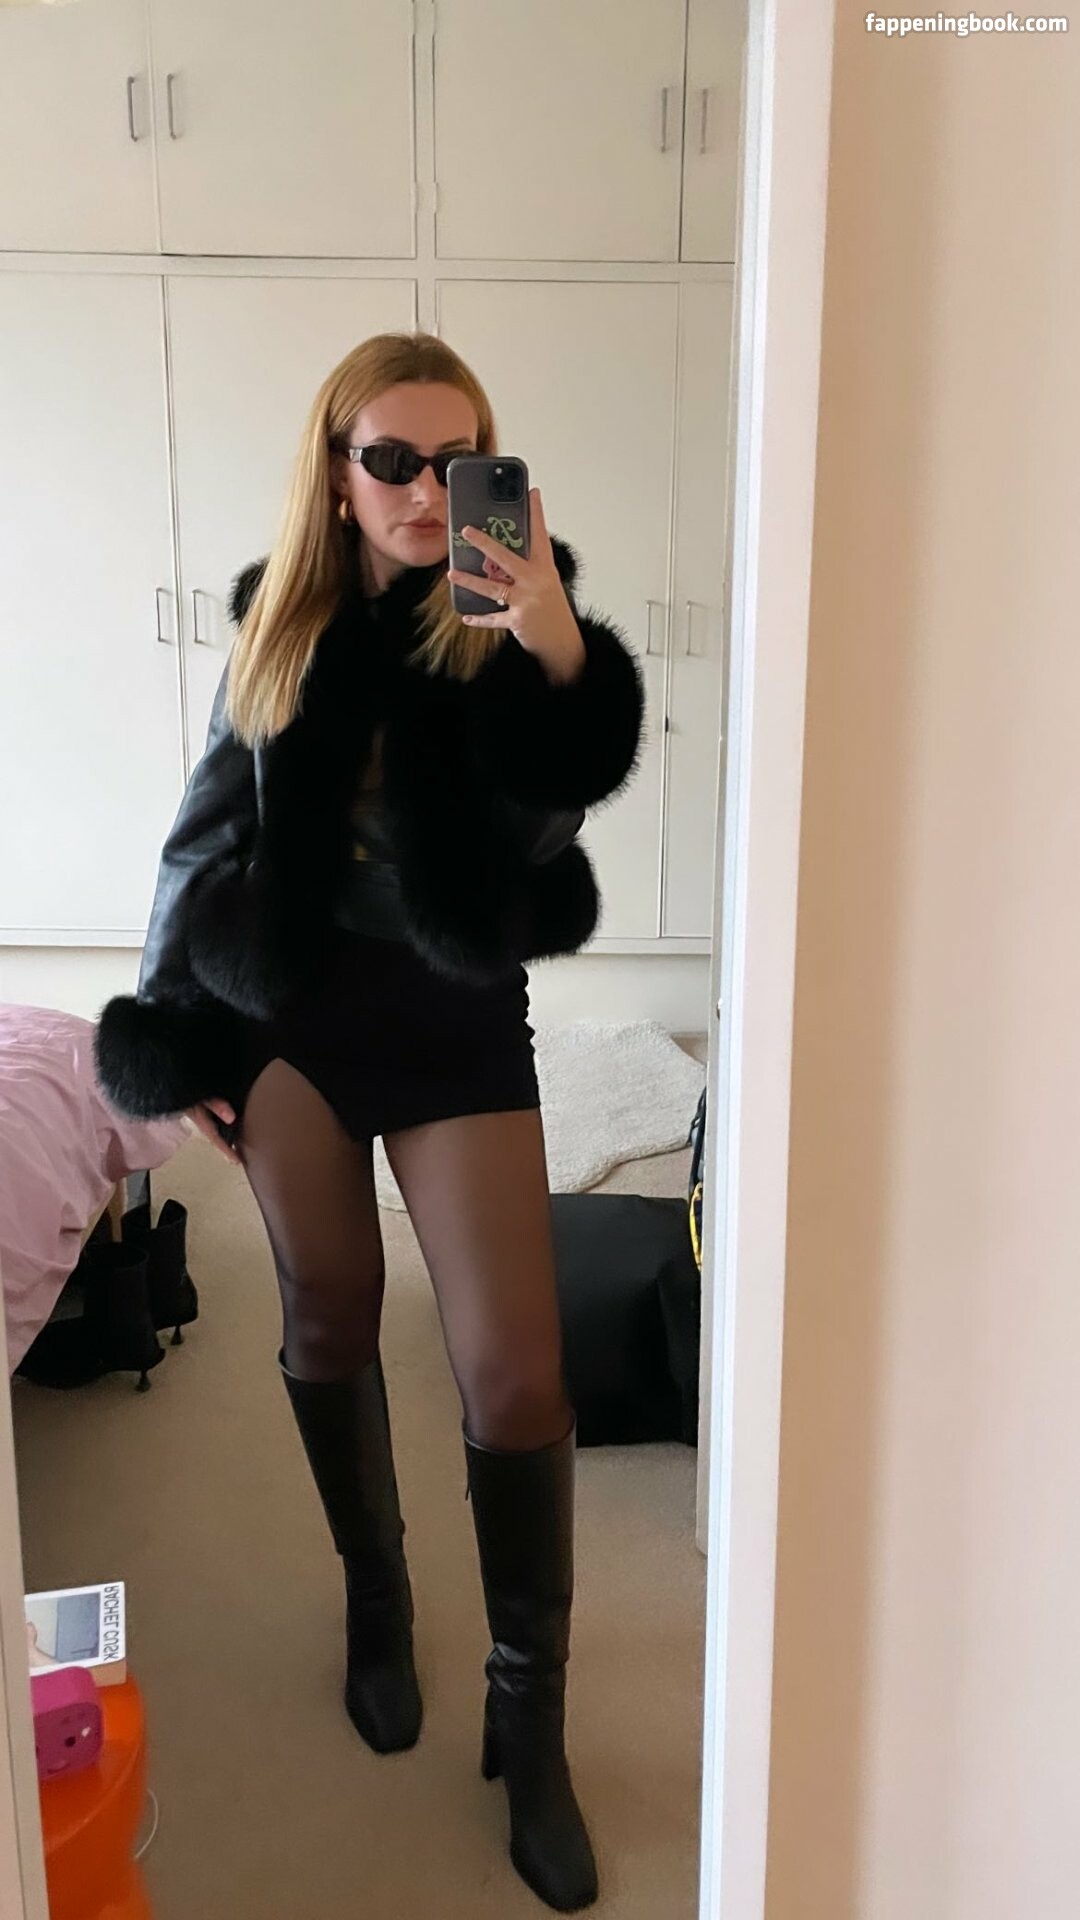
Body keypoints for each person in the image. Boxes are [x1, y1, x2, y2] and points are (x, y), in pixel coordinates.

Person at [95, 332, 642, 1913]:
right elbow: (200, 838)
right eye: (390, 459)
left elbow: (542, 827)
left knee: (515, 1368)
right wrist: (177, 1024)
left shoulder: (514, 620)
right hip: (295, 1021)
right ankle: (378, 1603)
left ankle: (529, 1723)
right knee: (327, 1313)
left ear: (490, 471)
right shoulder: (278, 621)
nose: (420, 488)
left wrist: (548, 644)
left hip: (454, 1017)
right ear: (338, 474)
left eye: (454, 460)